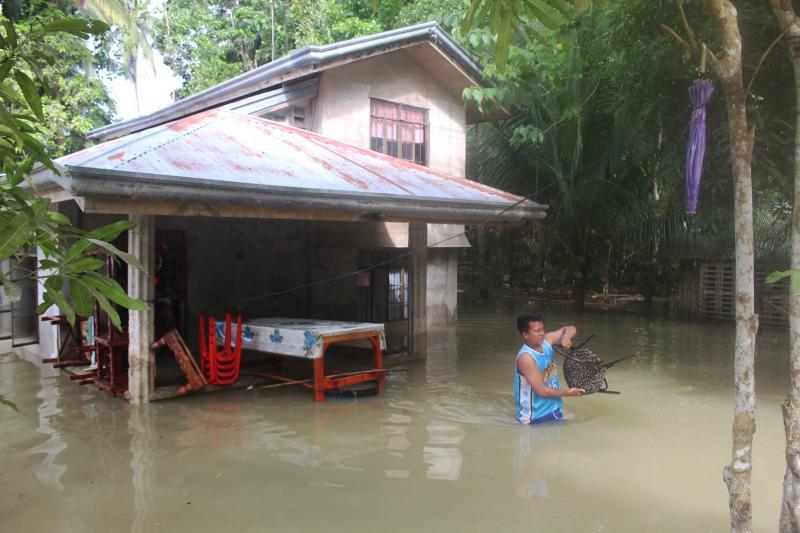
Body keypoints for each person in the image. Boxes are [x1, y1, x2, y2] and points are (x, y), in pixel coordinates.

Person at [514, 312, 584, 424]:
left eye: (542, 329)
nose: (542, 333)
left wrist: (565, 337)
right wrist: (567, 393)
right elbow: (541, 391)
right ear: (525, 334)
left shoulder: (547, 341)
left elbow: (571, 328)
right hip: (535, 417)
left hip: (555, 409)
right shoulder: (526, 358)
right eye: (537, 331)